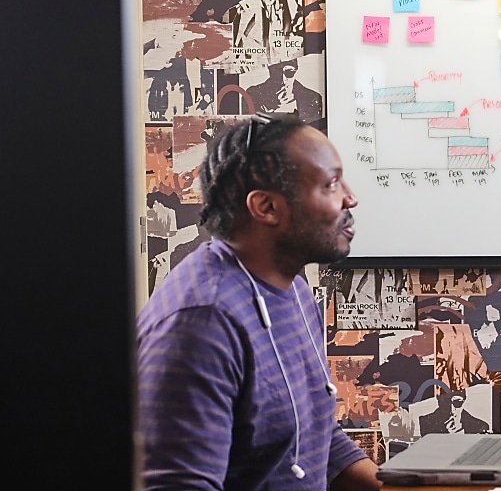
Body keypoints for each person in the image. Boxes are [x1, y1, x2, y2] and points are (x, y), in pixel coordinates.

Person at [136, 114, 380, 490]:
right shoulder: (202, 324)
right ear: (266, 207)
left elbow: (316, 439)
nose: (351, 197)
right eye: (331, 184)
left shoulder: (292, 288)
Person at [419, 387, 491, 435]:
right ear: (438, 399)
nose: (452, 408)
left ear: (464, 401)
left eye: (457, 402)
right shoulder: (425, 423)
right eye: (446, 401)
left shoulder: (480, 427)